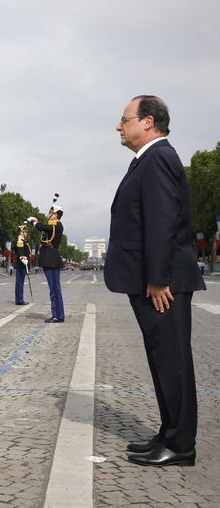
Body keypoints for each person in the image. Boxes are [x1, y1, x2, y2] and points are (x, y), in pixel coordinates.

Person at [105, 95, 205, 467]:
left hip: (163, 284)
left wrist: (159, 279)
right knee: (162, 360)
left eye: (124, 119)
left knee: (173, 361)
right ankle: (169, 432)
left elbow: (163, 222)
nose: (119, 126)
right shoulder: (149, 160)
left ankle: (181, 445)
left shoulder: (158, 158)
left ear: (147, 122)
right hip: (153, 280)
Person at [28, 204, 65, 322]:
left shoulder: (56, 225)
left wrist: (34, 221)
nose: (48, 215)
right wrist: (36, 222)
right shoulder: (52, 226)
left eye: (51, 213)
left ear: (55, 215)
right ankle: (56, 314)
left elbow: (41, 227)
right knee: (53, 288)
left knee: (54, 288)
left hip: (51, 259)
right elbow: (43, 228)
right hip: (49, 259)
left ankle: (58, 315)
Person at [11, 225, 30, 305]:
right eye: (25, 232)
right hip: (21, 265)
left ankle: (19, 299)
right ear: (21, 232)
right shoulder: (20, 241)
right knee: (20, 283)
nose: (26, 233)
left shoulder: (22, 241)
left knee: (20, 283)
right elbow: (20, 254)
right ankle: (19, 300)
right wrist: (24, 261)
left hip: (22, 265)